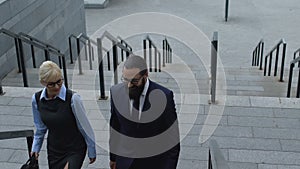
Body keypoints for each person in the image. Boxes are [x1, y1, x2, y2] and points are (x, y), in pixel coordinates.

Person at [109, 55, 180, 169]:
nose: (129, 85)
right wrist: (113, 158)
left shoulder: (164, 97)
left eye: (134, 81)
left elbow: (172, 141)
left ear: (146, 74)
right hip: (124, 162)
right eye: (125, 80)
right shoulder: (116, 92)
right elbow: (115, 128)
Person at [31, 61, 96, 169]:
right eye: (51, 84)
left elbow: (85, 127)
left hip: (75, 147)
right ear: (43, 82)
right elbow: (40, 128)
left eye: (59, 81)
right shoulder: (37, 100)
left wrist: (91, 150)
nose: (57, 87)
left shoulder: (73, 98)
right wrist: (35, 148)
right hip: (54, 150)